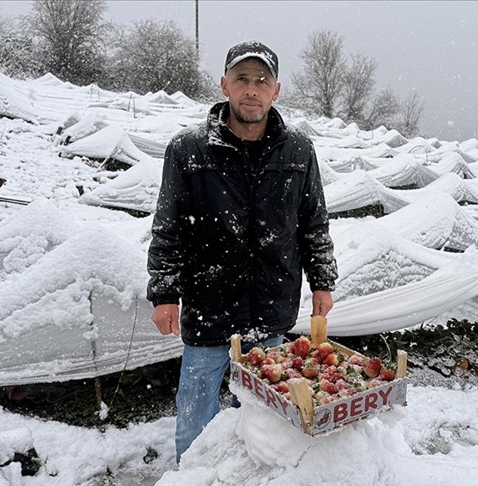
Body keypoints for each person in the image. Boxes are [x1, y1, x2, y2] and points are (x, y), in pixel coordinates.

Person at [147, 40, 338, 463]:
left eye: (261, 81)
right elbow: (168, 226)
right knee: (196, 416)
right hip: (209, 305)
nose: (251, 90)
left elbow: (313, 223)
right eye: (242, 80)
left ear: (276, 90)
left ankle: (242, 474)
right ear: (224, 85)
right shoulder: (188, 150)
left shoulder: (299, 152)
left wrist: (323, 280)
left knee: (258, 416)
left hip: (270, 309)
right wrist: (164, 293)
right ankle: (191, 473)